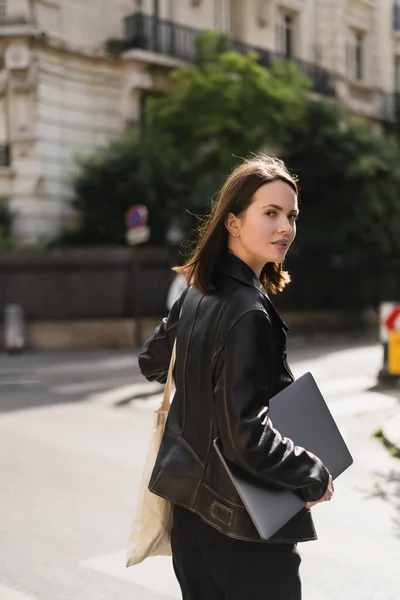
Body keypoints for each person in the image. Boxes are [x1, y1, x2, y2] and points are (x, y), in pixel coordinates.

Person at [138, 155, 334, 600]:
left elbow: (151, 360)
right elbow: (246, 436)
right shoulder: (249, 311)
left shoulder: (195, 295)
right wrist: (314, 473)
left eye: (291, 215)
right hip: (245, 526)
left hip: (190, 516)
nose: (286, 227)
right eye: (270, 213)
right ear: (232, 222)